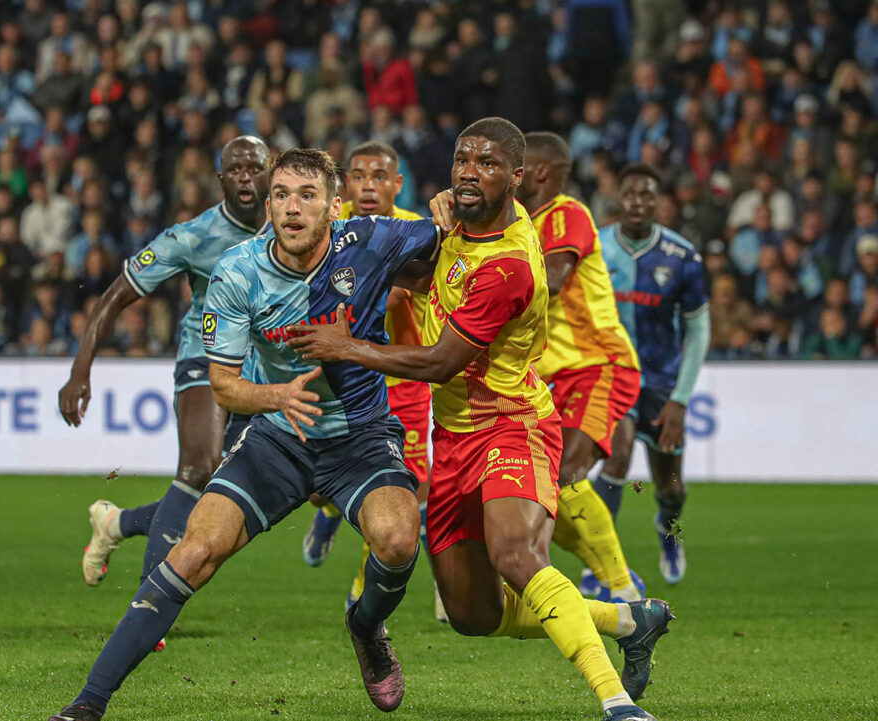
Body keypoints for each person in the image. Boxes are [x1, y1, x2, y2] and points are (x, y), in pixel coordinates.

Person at [288, 118, 668, 721]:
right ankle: (626, 619)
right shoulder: (460, 222)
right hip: (454, 438)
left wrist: (347, 346)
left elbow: (441, 363)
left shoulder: (511, 264)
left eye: (488, 164)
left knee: (517, 555)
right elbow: (418, 277)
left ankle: (616, 703)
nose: (469, 170)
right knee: (472, 616)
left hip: (512, 423)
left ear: (517, 178)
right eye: (463, 159)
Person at [48, 148, 438, 720]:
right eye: (281, 195)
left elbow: (448, 237)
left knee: (399, 539)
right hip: (277, 435)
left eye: (307, 195)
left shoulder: (374, 238)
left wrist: (450, 209)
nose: (291, 207)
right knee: (195, 551)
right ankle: (87, 704)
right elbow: (225, 388)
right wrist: (276, 397)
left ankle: (366, 624)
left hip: (359, 433)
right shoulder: (238, 269)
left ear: (335, 205)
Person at [58, 136, 270, 595]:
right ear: (220, 179)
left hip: (263, 371)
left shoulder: (289, 227)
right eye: (235, 170)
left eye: (254, 168)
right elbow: (116, 294)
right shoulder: (193, 236)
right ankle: (150, 602)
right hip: (205, 357)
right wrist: (80, 370)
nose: (246, 179)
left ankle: (116, 523)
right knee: (198, 468)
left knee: (228, 498)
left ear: (270, 171)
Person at [299, 140, 446, 622]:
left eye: (379, 177)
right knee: (320, 485)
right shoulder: (333, 231)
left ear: (396, 184)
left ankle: (366, 590)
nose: (368, 186)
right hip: (341, 375)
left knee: (406, 489)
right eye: (358, 176)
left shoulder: (410, 234)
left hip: (401, 381)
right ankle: (325, 513)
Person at [518, 132, 645, 603]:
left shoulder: (565, 213)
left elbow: (550, 280)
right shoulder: (517, 223)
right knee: (544, 492)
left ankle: (624, 591)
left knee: (567, 473)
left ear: (543, 173)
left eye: (519, 165)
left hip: (597, 364)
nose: (510, 174)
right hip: (550, 378)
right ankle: (610, 572)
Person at [595, 164, 710, 585]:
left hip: (663, 384)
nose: (638, 203)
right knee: (618, 453)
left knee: (671, 489)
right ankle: (601, 563)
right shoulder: (597, 249)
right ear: (618, 200)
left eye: (647, 195)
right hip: (614, 378)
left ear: (658, 203)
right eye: (631, 194)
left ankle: (669, 529)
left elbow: (699, 329)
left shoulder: (683, 257)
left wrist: (681, 398)